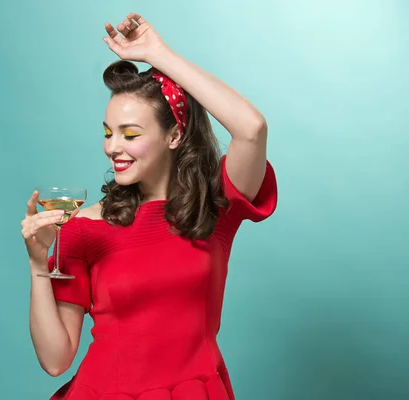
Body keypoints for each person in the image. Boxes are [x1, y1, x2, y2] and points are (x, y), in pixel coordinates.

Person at [21, 12, 278, 400]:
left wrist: (157, 54)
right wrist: (39, 265)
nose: (113, 147)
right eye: (108, 133)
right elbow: (56, 360)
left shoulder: (216, 208)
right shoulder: (84, 227)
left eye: (131, 134)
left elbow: (251, 128)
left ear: (174, 136)